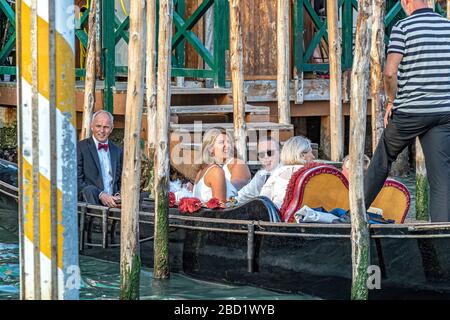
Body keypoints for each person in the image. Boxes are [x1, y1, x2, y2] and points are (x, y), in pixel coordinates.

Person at [364, 0, 450, 222]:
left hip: (411, 111)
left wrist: (392, 100)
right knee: (441, 179)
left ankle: (353, 214)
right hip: (443, 112)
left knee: (382, 159)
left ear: (406, 2)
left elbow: (390, 73)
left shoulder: (403, 27)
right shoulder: (447, 26)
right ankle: (441, 238)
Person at [77, 110, 123, 208]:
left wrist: (118, 195)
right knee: (89, 190)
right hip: (90, 203)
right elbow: (77, 180)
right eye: (98, 126)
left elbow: (121, 180)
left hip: (114, 203)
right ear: (92, 126)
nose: (102, 131)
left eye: (106, 127)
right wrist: (101, 194)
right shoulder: (80, 148)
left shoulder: (117, 151)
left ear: (111, 128)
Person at [193, 128, 250, 203]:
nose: (227, 145)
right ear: (210, 148)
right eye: (221, 142)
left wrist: (218, 180)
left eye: (229, 142)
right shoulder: (203, 171)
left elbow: (237, 189)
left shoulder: (237, 163)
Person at [260, 136, 315, 209]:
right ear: (302, 155)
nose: (313, 156)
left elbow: (263, 200)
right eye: (311, 152)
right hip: (304, 217)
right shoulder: (311, 173)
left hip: (277, 217)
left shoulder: (277, 173)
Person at [236, 136, 281, 204]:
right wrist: (230, 202)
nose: (266, 157)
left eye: (270, 153)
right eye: (262, 154)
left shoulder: (286, 173)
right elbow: (243, 195)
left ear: (280, 152)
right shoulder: (261, 174)